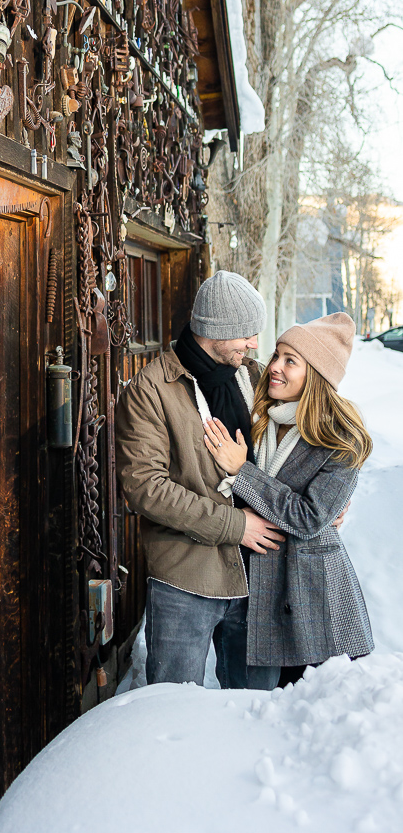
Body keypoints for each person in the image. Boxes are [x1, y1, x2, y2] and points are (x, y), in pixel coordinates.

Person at [115, 271, 285, 691]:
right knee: (172, 710)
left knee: (255, 711)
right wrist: (235, 526)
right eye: (246, 334)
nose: (253, 345)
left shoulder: (255, 377)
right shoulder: (151, 390)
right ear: (216, 332)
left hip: (257, 574)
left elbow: (307, 438)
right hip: (186, 578)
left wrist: (326, 502)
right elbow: (145, 487)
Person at [202, 312, 373, 683]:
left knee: (313, 711)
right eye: (276, 355)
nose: (274, 367)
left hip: (310, 592)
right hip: (255, 587)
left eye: (289, 361)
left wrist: (241, 471)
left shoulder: (342, 439)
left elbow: (310, 517)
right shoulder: (260, 416)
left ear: (316, 374)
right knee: (255, 707)